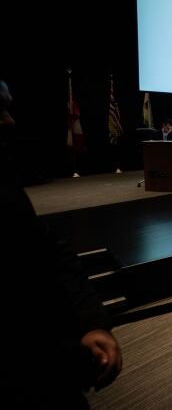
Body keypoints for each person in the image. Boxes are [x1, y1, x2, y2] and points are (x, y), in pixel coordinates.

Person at [1, 81, 123, 407]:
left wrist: (91, 322)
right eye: (0, 109)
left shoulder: (6, 184)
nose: (10, 120)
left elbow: (50, 249)